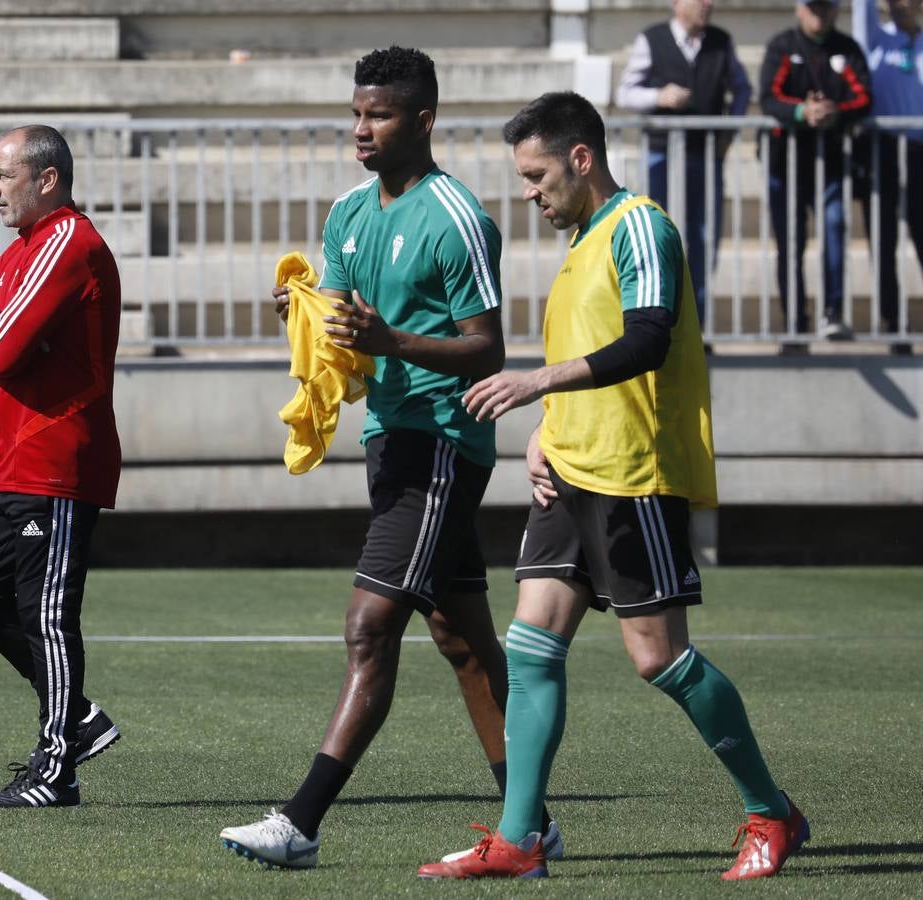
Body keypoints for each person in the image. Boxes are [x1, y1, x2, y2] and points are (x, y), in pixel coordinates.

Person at [416, 92, 807, 882]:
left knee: (660, 659)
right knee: (528, 650)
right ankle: (521, 841)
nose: (529, 192)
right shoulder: (583, 242)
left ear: (581, 159)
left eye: (537, 175)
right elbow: (587, 366)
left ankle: (772, 811)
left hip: (634, 476)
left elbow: (648, 340)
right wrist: (546, 434)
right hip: (569, 475)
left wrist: (537, 384)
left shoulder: (639, 225)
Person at [218, 46, 560, 870]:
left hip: (444, 442)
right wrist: (305, 314)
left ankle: (300, 822)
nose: (361, 130)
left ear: (424, 120)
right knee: (464, 641)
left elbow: (488, 350)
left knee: (370, 628)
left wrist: (391, 338)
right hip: (390, 440)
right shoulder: (346, 214)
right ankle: (532, 825)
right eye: (356, 114)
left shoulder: (458, 217)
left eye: (378, 115)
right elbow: (346, 337)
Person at [0, 125, 123, 809]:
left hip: (58, 460)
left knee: (47, 615)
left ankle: (56, 771)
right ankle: (77, 715)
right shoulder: (20, 251)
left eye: (1, 175)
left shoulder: (69, 244)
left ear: (46, 179)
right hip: (15, 461)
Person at [615, 0, 753, 326]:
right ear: (677, 4)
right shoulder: (652, 38)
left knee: (704, 239)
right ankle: (663, 325)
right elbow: (625, 93)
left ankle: (697, 327)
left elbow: (743, 89)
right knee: (661, 237)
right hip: (663, 155)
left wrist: (730, 129)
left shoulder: (720, 40)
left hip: (706, 156)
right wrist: (658, 96)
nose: (708, 5)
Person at [760, 0, 871, 339]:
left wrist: (833, 112)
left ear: (836, 11)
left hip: (832, 166)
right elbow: (769, 96)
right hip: (785, 167)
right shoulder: (783, 45)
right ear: (799, 9)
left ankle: (832, 313)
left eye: (825, 7)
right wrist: (801, 112)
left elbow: (864, 98)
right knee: (790, 244)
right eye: (813, 7)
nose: (818, 14)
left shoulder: (847, 48)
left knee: (835, 227)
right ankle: (795, 322)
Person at [854, 0, 923, 334]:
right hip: (882, 149)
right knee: (883, 238)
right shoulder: (875, 38)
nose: (897, 4)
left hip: (920, 150)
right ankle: (893, 319)